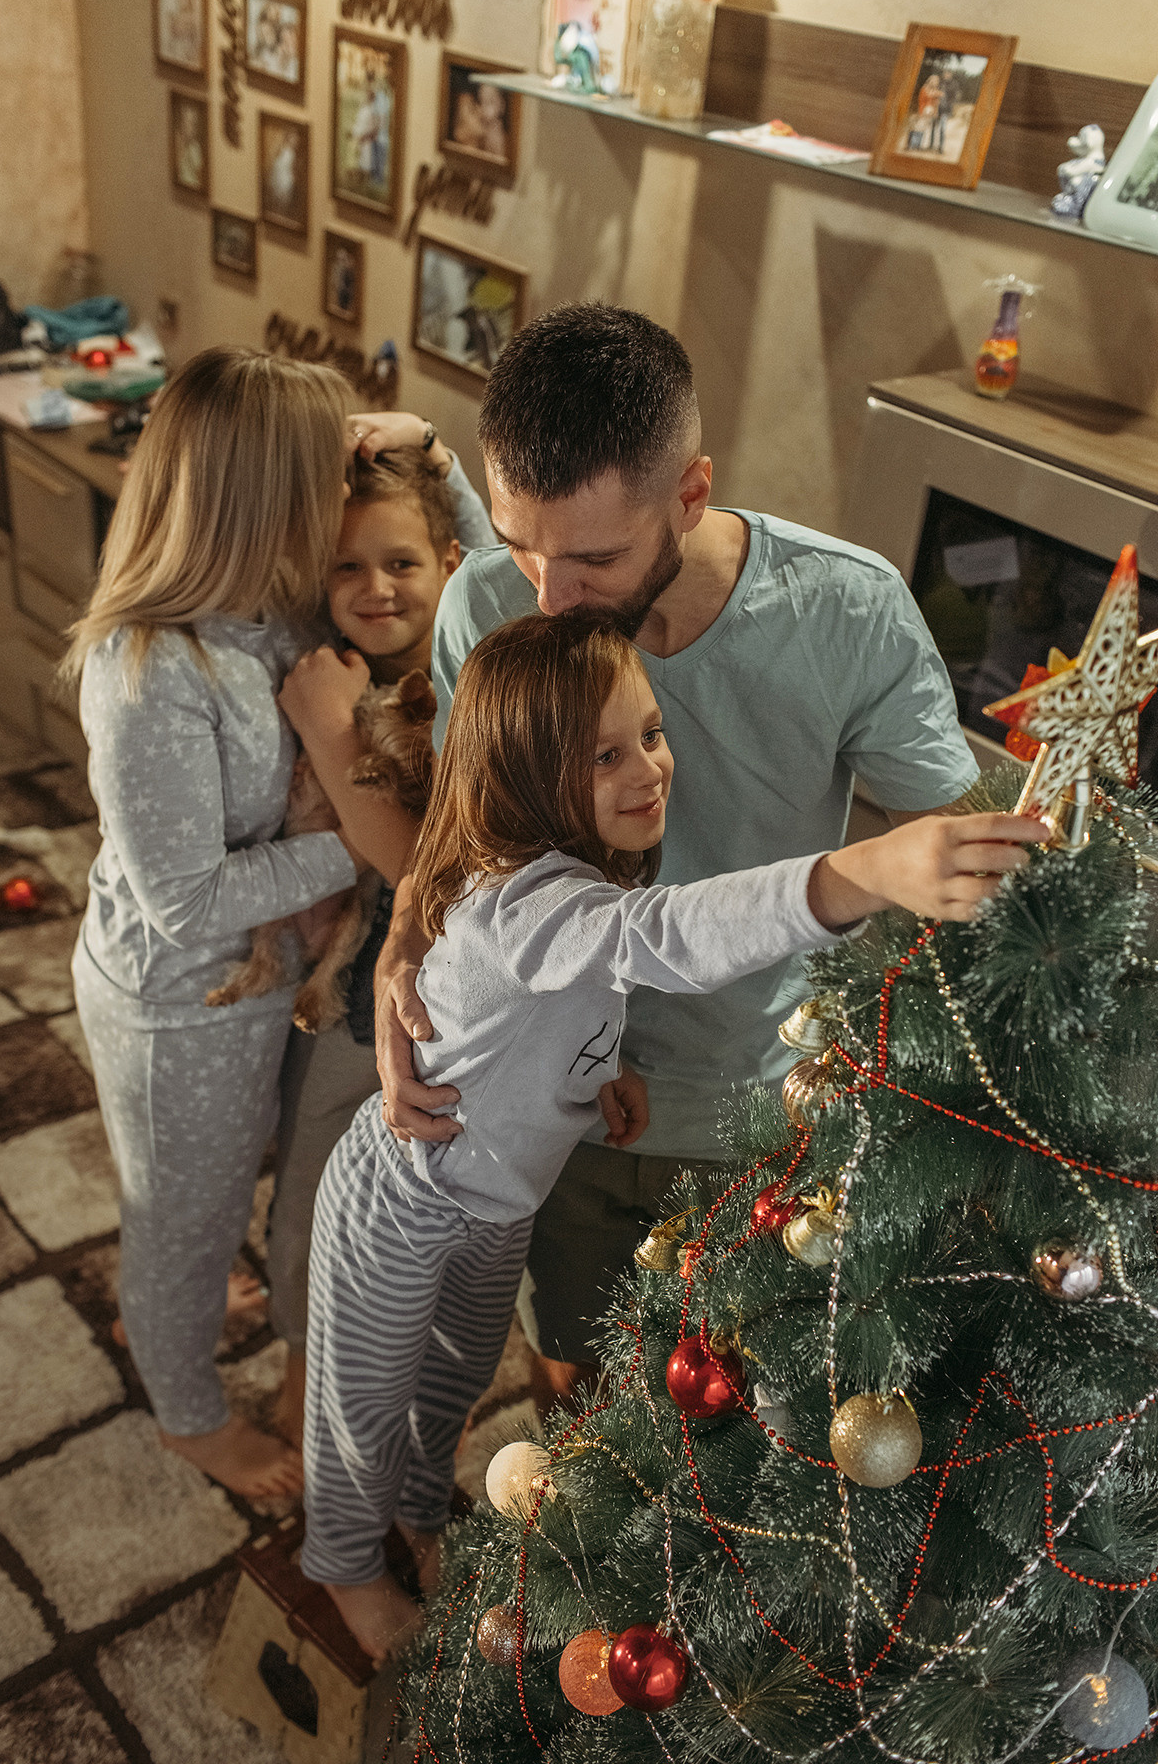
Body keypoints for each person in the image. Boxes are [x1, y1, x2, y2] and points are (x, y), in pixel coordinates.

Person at [299, 610, 1045, 1664]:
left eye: (649, 733)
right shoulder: (529, 903)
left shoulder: (572, 877)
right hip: (404, 1201)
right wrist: (863, 870)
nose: (650, 767)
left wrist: (601, 1073)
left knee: (452, 1384)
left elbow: (554, 1006)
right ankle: (340, 1566)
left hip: (493, 1207)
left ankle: (416, 1520)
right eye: (606, 754)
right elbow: (666, 941)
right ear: (522, 772)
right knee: (362, 1403)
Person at [369, 302, 982, 1408]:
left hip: (764, 1112)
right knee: (578, 1396)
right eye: (519, 544)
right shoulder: (485, 604)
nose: (546, 598)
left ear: (690, 495)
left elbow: (959, 855)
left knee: (750, 1425)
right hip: (550, 1101)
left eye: (593, 557)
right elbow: (468, 839)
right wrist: (400, 947)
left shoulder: (848, 611)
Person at [65, 346, 415, 1501]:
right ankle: (184, 1410)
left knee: (205, 1198)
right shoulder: (149, 665)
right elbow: (184, 905)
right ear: (263, 494)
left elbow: (427, 501)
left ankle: (185, 1286)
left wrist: (390, 444)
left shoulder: (268, 605)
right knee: (178, 1212)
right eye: (324, 474)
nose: (343, 493)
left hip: (252, 989)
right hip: (182, 1002)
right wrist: (361, 837)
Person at [268, 415, 495, 1446]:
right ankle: (299, 1353)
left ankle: (384, 1393)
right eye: (348, 567)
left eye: (402, 562)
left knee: (419, 1221)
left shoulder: (475, 675)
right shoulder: (326, 662)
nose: (377, 588)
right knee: (311, 1183)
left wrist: (326, 731)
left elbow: (412, 861)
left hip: (448, 1007)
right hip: (346, 988)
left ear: (449, 563)